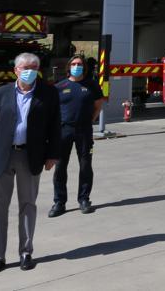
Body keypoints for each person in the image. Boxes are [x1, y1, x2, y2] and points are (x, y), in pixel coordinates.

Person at [0, 53, 61, 276]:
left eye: (34, 67)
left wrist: (53, 155)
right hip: (2, 157)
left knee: (28, 205)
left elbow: (55, 127)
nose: (30, 71)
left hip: (30, 156)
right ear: (16, 70)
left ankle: (25, 252)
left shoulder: (48, 93)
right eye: (25, 67)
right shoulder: (1, 94)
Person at [49, 56, 104, 217]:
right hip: (63, 131)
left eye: (79, 64)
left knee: (85, 165)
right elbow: (53, 110)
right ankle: (59, 202)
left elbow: (98, 104)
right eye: (73, 64)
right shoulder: (60, 86)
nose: (76, 66)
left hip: (84, 131)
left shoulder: (92, 85)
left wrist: (90, 120)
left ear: (84, 67)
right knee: (60, 167)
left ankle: (84, 199)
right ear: (69, 67)